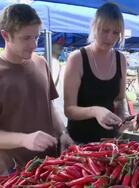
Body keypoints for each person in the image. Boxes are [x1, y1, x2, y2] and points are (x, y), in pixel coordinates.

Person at [0, 4, 73, 175]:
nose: (33, 44)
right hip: (15, 172)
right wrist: (24, 139)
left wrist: (63, 132)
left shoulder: (41, 63)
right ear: (5, 35)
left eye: (36, 36)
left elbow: (49, 106)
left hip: (52, 165)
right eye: (26, 38)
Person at [64, 3, 130, 144]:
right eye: (105, 30)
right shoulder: (77, 58)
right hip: (80, 142)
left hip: (110, 141)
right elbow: (69, 109)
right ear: (94, 27)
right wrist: (95, 111)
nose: (110, 37)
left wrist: (123, 115)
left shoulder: (121, 59)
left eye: (115, 32)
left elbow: (119, 99)